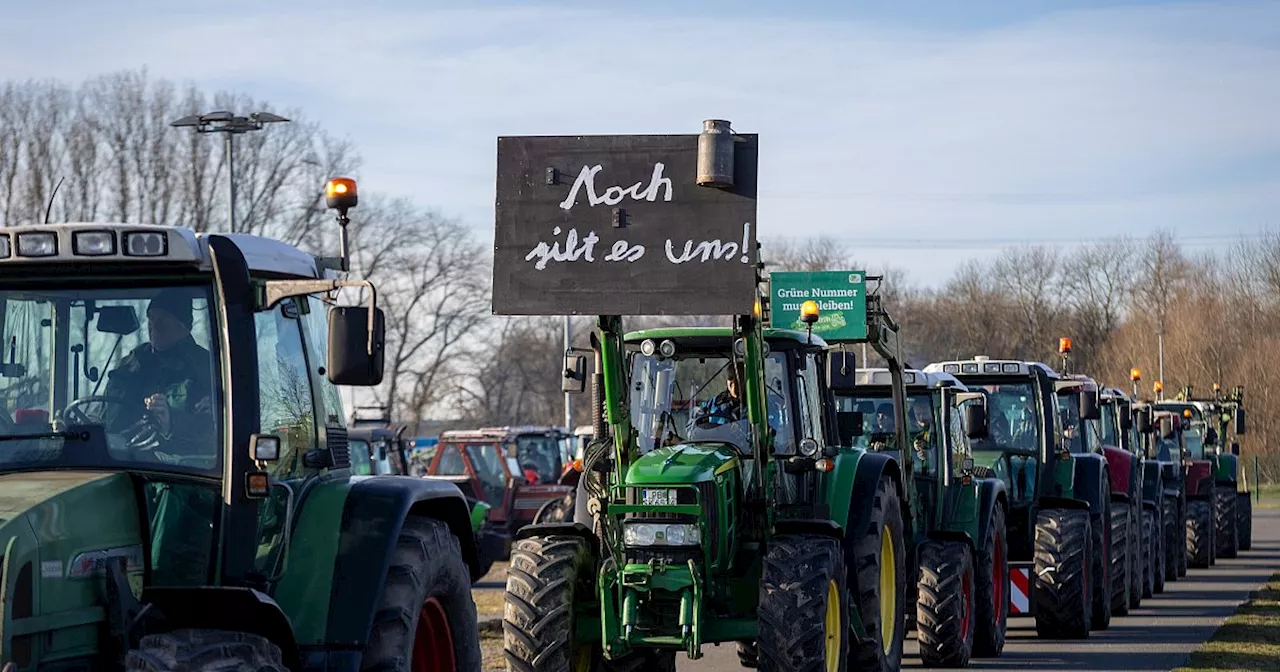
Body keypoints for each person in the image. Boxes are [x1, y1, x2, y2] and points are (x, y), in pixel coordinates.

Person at [102, 287, 215, 459]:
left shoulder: (206, 368)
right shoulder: (131, 365)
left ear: (183, 326)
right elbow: (106, 415)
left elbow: (215, 430)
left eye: (163, 320)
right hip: (122, 461)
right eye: (151, 319)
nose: (154, 325)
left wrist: (171, 421)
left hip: (181, 472)